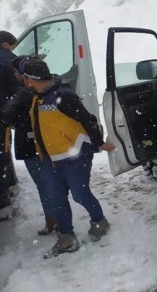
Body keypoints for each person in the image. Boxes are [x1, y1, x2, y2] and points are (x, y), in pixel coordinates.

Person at [20, 59, 116, 258]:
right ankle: (66, 238)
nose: (24, 81)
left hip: (76, 155)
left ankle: (99, 221)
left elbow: (88, 119)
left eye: (25, 78)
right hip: (51, 159)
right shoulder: (37, 98)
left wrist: (99, 142)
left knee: (80, 194)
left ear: (32, 79)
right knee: (57, 197)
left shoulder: (63, 96)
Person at [2, 55, 58, 234]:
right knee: (50, 182)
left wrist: (15, 121)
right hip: (46, 142)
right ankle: (56, 218)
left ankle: (53, 220)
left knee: (44, 185)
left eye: (15, 72)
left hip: (30, 145)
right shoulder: (48, 87)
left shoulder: (23, 92)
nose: (14, 76)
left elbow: (6, 116)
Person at [0, 30, 20, 220]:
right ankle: (3, 194)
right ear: (6, 43)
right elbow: (18, 86)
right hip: (3, 113)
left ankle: (5, 190)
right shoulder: (8, 59)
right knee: (3, 152)